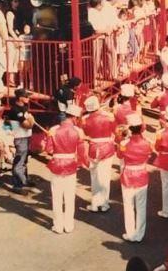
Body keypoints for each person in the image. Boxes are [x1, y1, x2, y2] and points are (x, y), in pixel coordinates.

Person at [45, 104, 84, 235]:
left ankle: (58, 225)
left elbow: (48, 150)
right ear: (74, 117)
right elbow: (82, 152)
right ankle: (68, 225)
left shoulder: (54, 129)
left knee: (56, 196)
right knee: (69, 196)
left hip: (56, 163)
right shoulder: (78, 131)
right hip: (71, 164)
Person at [119, 114, 152, 242]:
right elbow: (148, 155)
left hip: (128, 175)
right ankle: (139, 235)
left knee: (128, 206)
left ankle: (130, 233)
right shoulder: (147, 142)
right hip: (142, 174)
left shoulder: (124, 143)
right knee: (141, 206)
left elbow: (120, 155)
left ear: (130, 128)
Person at [81, 95, 116, 212]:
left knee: (94, 177)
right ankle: (104, 203)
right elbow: (114, 130)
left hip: (93, 147)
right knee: (105, 177)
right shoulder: (109, 117)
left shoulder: (84, 119)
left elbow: (85, 132)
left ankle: (95, 204)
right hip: (107, 147)